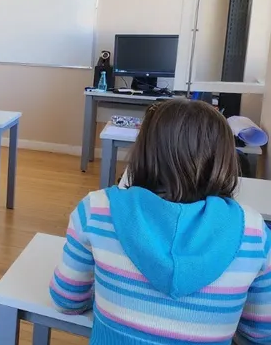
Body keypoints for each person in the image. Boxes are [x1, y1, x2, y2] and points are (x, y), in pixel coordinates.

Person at [50, 99, 271, 343]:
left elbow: (66, 300)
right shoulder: (254, 232)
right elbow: (260, 332)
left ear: (143, 151)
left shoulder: (97, 209)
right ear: (225, 158)